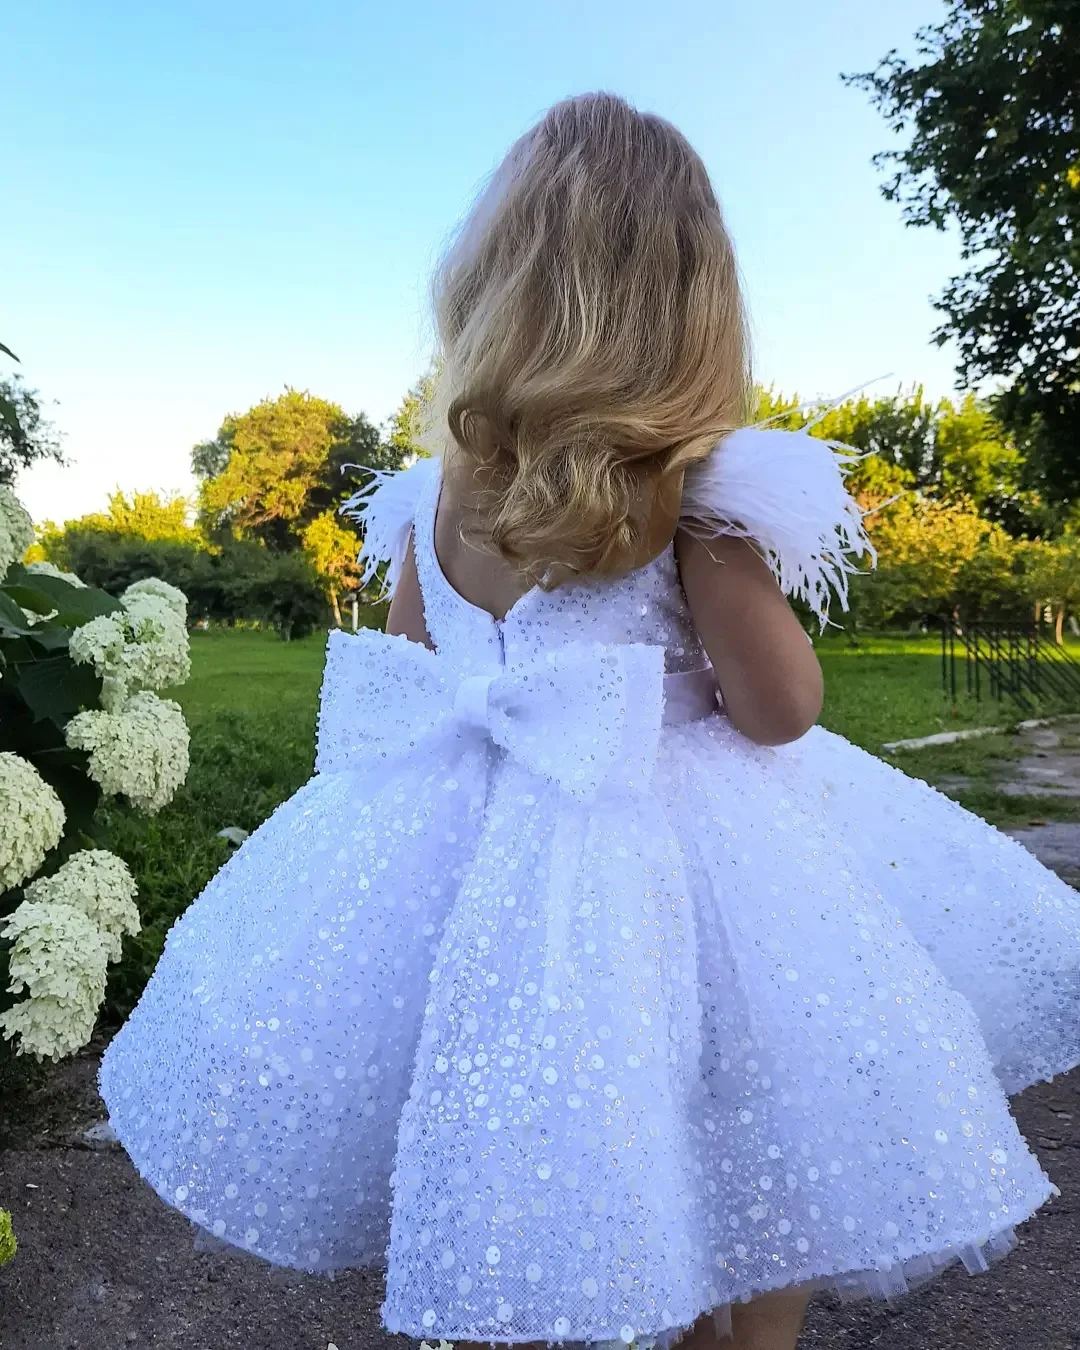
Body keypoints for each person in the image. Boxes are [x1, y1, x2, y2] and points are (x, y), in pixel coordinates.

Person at [101, 94, 1080, 1350]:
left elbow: (416, 682)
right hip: (693, 855)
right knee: (751, 1099)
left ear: (490, 284)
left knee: (558, 1101)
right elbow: (780, 712)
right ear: (689, 305)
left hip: (479, 850)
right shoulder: (695, 497)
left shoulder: (429, 501)